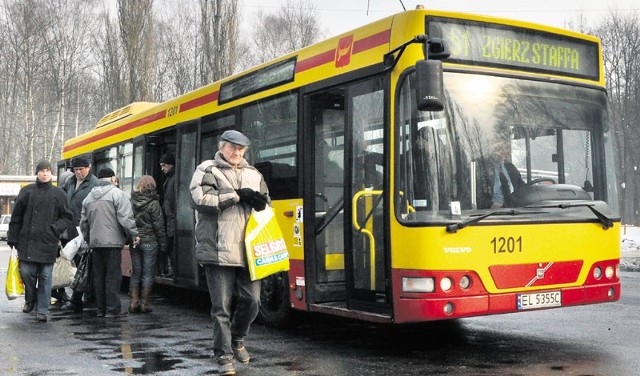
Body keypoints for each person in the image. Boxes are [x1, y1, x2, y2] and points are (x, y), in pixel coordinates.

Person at [190, 130, 269, 376]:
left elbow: (268, 203)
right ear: (221, 147)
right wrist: (236, 196)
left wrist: (262, 202)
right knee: (221, 307)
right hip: (218, 249)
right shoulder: (208, 169)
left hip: (248, 251)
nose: (237, 153)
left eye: (241, 149)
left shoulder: (254, 174)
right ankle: (224, 355)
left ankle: (237, 338)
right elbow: (199, 198)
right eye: (232, 148)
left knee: (252, 301)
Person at [7, 160, 73, 322]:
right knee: (27, 274)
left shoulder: (59, 194)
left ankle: (42, 309)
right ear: (37, 173)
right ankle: (30, 299)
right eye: (42, 171)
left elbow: (67, 217)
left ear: (51, 174)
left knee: (45, 276)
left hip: (47, 242)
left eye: (48, 171)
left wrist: (54, 229)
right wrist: (12, 238)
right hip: (27, 242)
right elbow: (16, 218)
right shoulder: (27, 192)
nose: (45, 174)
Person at [80, 168, 139, 318]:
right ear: (112, 178)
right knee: (113, 276)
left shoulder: (88, 198)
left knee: (99, 277)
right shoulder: (117, 194)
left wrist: (89, 239)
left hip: (95, 243)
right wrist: (133, 234)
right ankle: (113, 309)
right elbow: (126, 218)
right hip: (112, 243)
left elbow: (83, 224)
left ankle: (101, 309)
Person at [61, 156, 100, 312]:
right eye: (76, 170)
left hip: (85, 231)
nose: (78, 172)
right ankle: (80, 298)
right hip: (70, 231)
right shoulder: (69, 183)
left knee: (84, 266)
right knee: (76, 266)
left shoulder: (94, 184)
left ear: (88, 168)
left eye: (81, 169)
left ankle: (80, 299)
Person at [130, 175, 166, 313]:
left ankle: (133, 303)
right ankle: (144, 304)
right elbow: (159, 225)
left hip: (135, 241)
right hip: (150, 241)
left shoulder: (132, 201)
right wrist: (163, 245)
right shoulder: (154, 203)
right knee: (148, 274)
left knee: (136, 273)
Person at [159, 152, 176, 277]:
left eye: (164, 165)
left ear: (171, 165)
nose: (162, 168)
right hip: (170, 218)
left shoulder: (173, 179)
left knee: (172, 246)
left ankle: (173, 270)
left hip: (172, 219)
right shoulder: (170, 179)